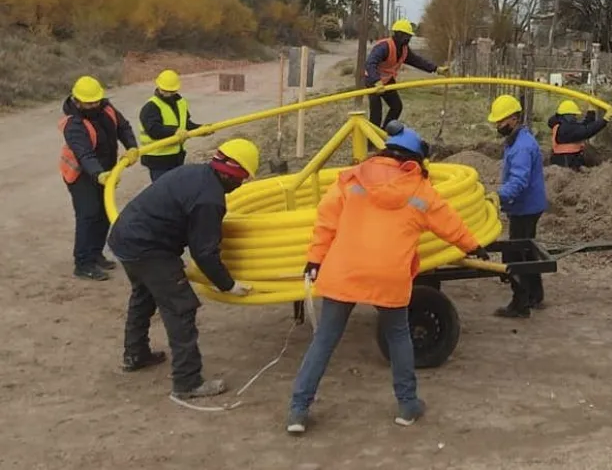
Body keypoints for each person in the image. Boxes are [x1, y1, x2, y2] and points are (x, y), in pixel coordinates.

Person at [286, 121, 484, 434]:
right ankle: (407, 406)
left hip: (344, 271)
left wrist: (314, 259)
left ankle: (298, 410)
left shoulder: (351, 180)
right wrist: (472, 246)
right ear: (413, 159)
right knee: (398, 335)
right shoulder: (419, 190)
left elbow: (326, 222)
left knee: (324, 340)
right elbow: (447, 220)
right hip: (388, 275)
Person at [106, 139, 258, 399]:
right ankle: (187, 382)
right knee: (181, 308)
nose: (240, 186)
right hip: (150, 249)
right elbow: (205, 251)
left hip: (125, 238)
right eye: (242, 179)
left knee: (143, 297)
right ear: (233, 175)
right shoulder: (210, 200)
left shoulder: (196, 173)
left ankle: (136, 354)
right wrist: (228, 284)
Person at [59, 75, 139, 281]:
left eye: (96, 100)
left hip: (106, 171)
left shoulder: (107, 108)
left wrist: (131, 147)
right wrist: (98, 174)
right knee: (88, 215)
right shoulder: (73, 124)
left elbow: (123, 127)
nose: (94, 105)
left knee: (103, 214)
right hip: (81, 174)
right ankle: (83, 263)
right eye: (89, 102)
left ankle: (96, 254)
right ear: (77, 101)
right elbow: (84, 153)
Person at [486, 95, 548, 318]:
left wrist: (496, 196)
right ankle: (534, 295)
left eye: (501, 122)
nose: (498, 126)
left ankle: (520, 303)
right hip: (528, 204)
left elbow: (519, 182)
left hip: (525, 207)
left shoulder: (521, 147)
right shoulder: (518, 139)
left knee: (515, 256)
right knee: (527, 251)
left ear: (513, 119)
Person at [363, 18, 448, 129]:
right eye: (406, 36)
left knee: (396, 106)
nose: (408, 39)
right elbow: (370, 63)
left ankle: (386, 133)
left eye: (409, 36)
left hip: (387, 80)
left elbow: (418, 61)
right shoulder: (384, 47)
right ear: (397, 34)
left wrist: (436, 69)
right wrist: (376, 81)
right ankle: (371, 142)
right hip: (373, 80)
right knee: (376, 112)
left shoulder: (404, 50)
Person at [138, 69, 208, 182]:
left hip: (176, 157)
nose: (167, 94)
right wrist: (174, 131)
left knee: (176, 190)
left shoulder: (181, 103)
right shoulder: (151, 106)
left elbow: (185, 124)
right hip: (158, 160)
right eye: (164, 90)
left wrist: (200, 129)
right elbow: (154, 130)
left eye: (171, 91)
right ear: (158, 87)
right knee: (163, 193)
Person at [547, 99, 609, 170]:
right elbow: (586, 131)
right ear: (568, 115)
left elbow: (583, 126)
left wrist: (591, 111)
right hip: (566, 167)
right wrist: (605, 120)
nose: (575, 117)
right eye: (574, 115)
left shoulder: (561, 126)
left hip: (567, 161)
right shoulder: (565, 129)